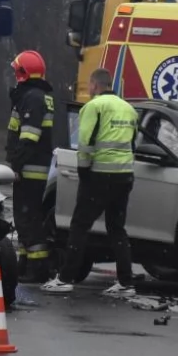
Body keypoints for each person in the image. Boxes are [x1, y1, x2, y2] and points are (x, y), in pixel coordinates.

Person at [41, 68, 139, 297]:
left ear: (95, 85)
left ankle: (65, 278)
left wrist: (83, 172)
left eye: (90, 84)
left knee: (79, 226)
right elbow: (132, 143)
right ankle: (126, 282)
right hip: (124, 176)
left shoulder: (93, 107)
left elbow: (84, 143)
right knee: (117, 229)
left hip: (99, 175)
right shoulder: (129, 109)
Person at [4, 50, 56, 283]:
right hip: (31, 166)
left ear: (22, 73)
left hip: (29, 167)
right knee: (25, 218)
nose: (14, 76)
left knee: (28, 219)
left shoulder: (32, 97)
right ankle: (25, 265)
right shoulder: (35, 95)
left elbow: (29, 136)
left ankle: (37, 269)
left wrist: (16, 163)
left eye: (16, 71)